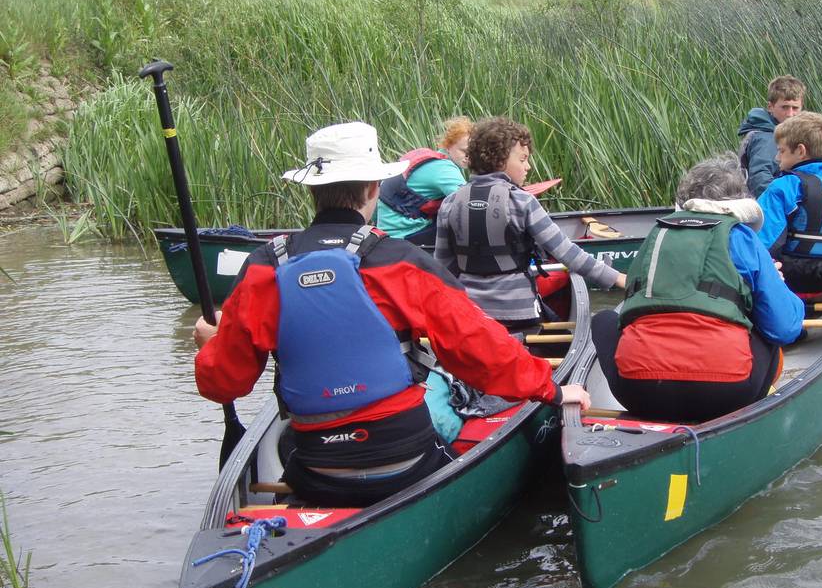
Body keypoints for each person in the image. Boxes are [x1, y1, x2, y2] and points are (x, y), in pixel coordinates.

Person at [192, 122, 590, 507]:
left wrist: (209, 347)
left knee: (289, 448)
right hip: (406, 461)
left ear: (312, 191)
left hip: (317, 471)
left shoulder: (265, 266)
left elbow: (223, 385)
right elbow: (479, 348)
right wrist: (552, 389)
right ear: (373, 189)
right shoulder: (401, 261)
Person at [592, 153, 804, 424]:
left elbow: (631, 311)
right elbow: (785, 328)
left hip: (639, 392)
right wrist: (774, 288)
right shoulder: (742, 237)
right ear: (739, 198)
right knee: (767, 322)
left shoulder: (655, 236)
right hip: (725, 393)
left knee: (604, 320)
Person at [433, 117, 626, 331]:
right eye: (523, 159)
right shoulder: (522, 201)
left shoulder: (450, 203)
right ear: (500, 159)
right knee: (553, 327)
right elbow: (567, 253)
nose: (529, 167)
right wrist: (617, 277)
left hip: (472, 316)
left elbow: (442, 267)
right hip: (518, 316)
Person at [756, 111, 822, 297]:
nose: (777, 158)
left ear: (801, 151)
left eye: (781, 150)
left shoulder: (784, 186)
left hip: (790, 278)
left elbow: (763, 241)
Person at [376, 116, 473, 246]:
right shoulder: (444, 169)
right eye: (464, 151)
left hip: (385, 235)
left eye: (472, 152)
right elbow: (468, 203)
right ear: (449, 146)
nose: (468, 157)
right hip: (405, 236)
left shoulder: (427, 157)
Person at [738, 74, 806, 198]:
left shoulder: (789, 134)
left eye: (795, 108)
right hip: (770, 206)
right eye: (785, 107)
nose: (790, 114)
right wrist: (784, 203)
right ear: (770, 107)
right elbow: (760, 178)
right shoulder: (766, 138)